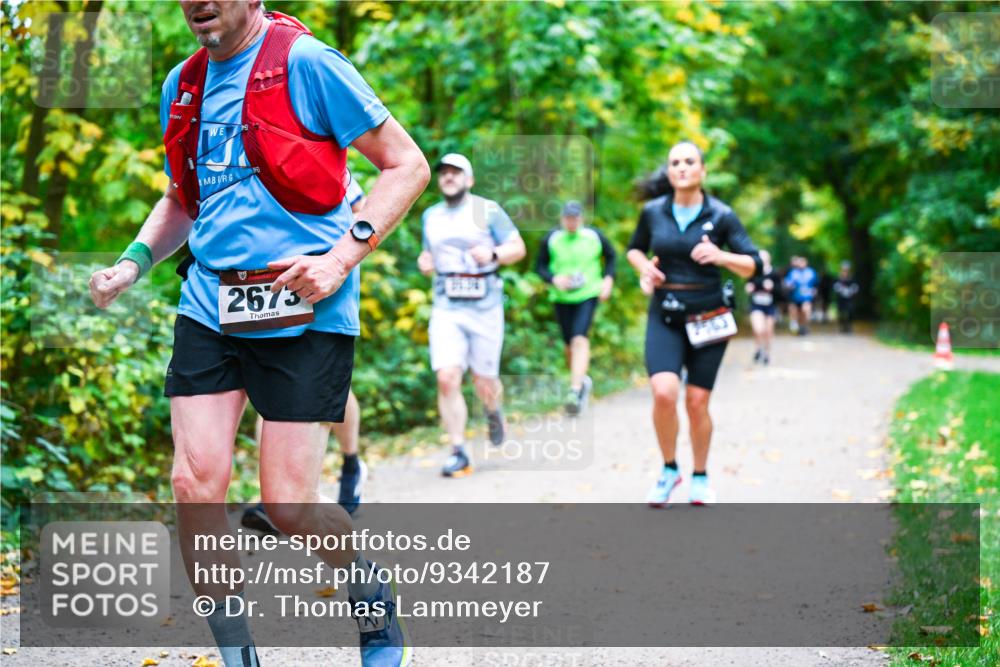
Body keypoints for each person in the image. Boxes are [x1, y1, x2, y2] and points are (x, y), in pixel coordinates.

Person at [88, 3, 429, 666]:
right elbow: (183, 198)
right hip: (210, 302)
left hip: (305, 304)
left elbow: (407, 165)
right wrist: (132, 263)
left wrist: (340, 259)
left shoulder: (309, 64)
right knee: (194, 484)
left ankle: (371, 595)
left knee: (289, 507)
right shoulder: (182, 85)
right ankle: (238, 656)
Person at [627, 141, 761, 506]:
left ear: (703, 170)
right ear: (669, 172)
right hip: (666, 313)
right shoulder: (653, 212)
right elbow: (634, 248)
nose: (682, 167)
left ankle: (700, 476)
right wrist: (646, 269)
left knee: (697, 402)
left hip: (708, 317)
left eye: (689, 161)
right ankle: (670, 469)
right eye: (675, 163)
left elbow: (753, 264)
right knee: (663, 392)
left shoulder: (722, 215)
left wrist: (721, 255)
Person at [242, 171, 369, 537]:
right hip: (260, 290)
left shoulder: (324, 164)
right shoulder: (237, 168)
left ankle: (350, 463)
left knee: (334, 390)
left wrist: (337, 262)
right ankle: (273, 497)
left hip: (321, 285)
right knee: (271, 391)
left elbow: (362, 212)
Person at [417, 153, 526, 477]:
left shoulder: (487, 210)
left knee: (484, 381)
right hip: (446, 306)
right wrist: (425, 262)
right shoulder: (431, 216)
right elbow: (428, 254)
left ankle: (493, 410)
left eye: (456, 172)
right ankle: (458, 450)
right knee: (446, 377)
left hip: (485, 307)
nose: (449, 177)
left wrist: (493, 253)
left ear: (470, 179)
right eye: (444, 173)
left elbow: (517, 247)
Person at [534, 200, 616, 415]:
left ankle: (575, 390)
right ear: (562, 219)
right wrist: (554, 279)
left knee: (580, 338)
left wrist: (608, 280)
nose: (572, 222)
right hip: (561, 297)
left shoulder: (593, 236)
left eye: (575, 218)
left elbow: (612, 257)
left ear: (581, 218)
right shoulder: (552, 238)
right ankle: (581, 380)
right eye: (568, 218)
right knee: (569, 345)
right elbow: (539, 266)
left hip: (588, 293)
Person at [745, 249, 778, 365]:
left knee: (768, 331)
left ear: (769, 259)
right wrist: (749, 288)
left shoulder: (774, 273)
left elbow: (781, 291)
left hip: (770, 306)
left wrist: (773, 288)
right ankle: (758, 348)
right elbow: (748, 284)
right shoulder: (754, 272)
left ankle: (766, 353)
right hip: (756, 305)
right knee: (758, 328)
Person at [784, 255, 818, 336]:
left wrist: (814, 291)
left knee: (805, 311)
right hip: (795, 297)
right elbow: (787, 283)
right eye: (800, 262)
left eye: (803, 262)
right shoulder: (793, 273)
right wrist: (790, 286)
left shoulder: (811, 272)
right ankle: (799, 327)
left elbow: (816, 284)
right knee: (797, 314)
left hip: (806, 297)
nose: (801, 264)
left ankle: (804, 326)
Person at [833, 260, 860, 333]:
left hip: (850, 299)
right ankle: (842, 326)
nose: (845, 271)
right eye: (843, 269)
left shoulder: (852, 278)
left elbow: (856, 287)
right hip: (841, 299)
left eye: (846, 269)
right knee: (841, 312)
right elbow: (835, 287)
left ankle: (849, 326)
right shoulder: (838, 278)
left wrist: (850, 291)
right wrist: (842, 290)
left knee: (850, 311)